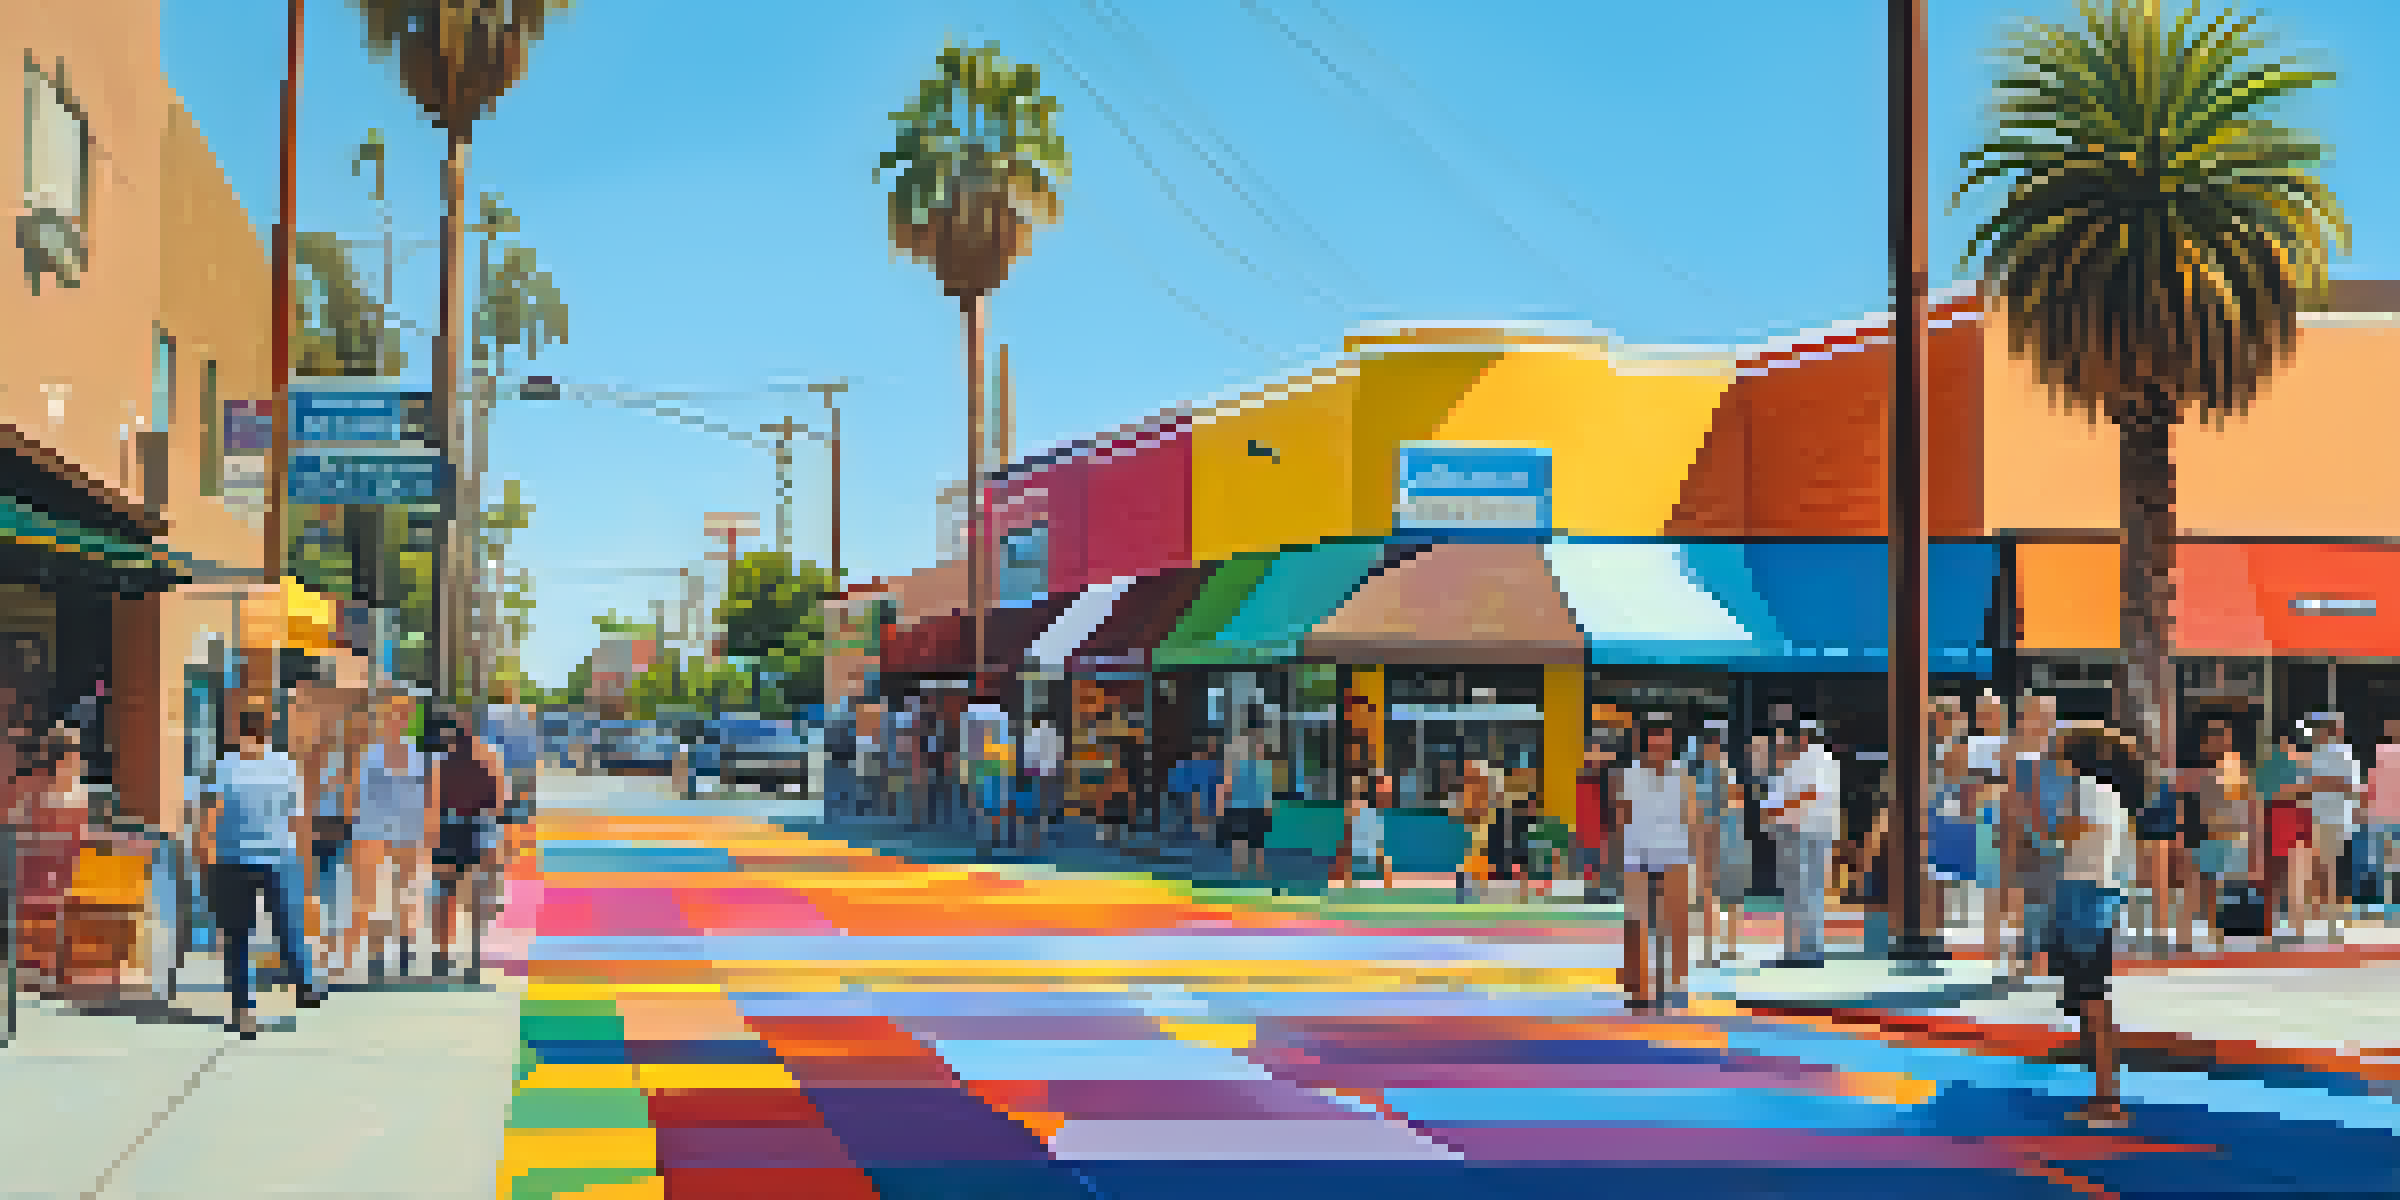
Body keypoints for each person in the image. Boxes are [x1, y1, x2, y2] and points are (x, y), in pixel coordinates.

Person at [197, 709, 325, 1037]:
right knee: (287, 925)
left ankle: (243, 1011)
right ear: (268, 733)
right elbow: (298, 817)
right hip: (277, 857)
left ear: (237, 732)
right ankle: (303, 982)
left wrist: (205, 858)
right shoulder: (285, 766)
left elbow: (210, 816)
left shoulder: (224, 767)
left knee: (238, 938)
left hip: (232, 861)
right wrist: (305, 861)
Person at [345, 693, 436, 980]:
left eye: (402, 714)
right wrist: (354, 833)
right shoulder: (367, 754)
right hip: (372, 830)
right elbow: (352, 795)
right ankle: (375, 954)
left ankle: (405, 951)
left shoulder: (419, 756)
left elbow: (429, 797)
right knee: (370, 896)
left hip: (409, 831)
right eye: (391, 713)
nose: (396, 719)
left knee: (406, 892)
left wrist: (429, 834)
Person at [1618, 717, 1699, 1006]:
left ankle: (1675, 983)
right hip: (1635, 854)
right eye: (1653, 739)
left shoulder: (1683, 776)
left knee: (1675, 922)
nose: (1658, 745)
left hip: (1674, 853)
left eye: (1663, 738)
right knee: (1636, 921)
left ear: (1670, 742)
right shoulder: (1629, 775)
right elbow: (1621, 816)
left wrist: (1697, 859)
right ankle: (1638, 988)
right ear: (1645, 742)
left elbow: (1692, 817)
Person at [429, 711, 502, 978]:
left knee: (449, 896)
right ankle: (471, 955)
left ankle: (445, 955)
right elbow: (499, 801)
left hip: (454, 827)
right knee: (472, 896)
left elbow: (434, 799)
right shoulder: (488, 756)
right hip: (474, 828)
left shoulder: (444, 759)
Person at [1765, 718, 1840, 969]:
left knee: (1799, 895)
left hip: (1800, 833)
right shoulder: (1828, 761)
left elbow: (1807, 794)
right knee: (1811, 894)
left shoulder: (1808, 761)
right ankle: (1807, 950)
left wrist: (1778, 811)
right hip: (1817, 833)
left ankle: (1801, 953)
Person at [2185, 718, 2254, 951]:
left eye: (2219, 735)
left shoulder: (2233, 766)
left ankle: (2221, 936)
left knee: (2225, 889)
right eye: (2211, 735)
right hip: (2212, 837)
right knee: (2208, 887)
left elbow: (2239, 804)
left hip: (2229, 837)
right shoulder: (2208, 769)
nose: (2214, 740)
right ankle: (2214, 936)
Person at [2297, 712, 2362, 938]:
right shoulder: (2318, 754)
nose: (2314, 734)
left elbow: (2348, 787)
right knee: (2317, 870)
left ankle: (2331, 923)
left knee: (2326, 870)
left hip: (2331, 819)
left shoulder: (2341, 753)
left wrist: (2317, 784)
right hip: (2317, 818)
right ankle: (2320, 920)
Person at [1692, 721, 1748, 966]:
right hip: (1723, 841)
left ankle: (1720, 949)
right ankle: (1717, 949)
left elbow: (1705, 813)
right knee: (1717, 898)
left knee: (1719, 897)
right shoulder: (1722, 774)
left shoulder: (1713, 775)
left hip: (1723, 842)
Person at [1217, 722, 1274, 881]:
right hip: (1242, 805)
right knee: (1244, 843)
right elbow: (1227, 781)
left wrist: (1268, 806)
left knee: (1253, 844)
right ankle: (1243, 876)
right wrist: (1221, 802)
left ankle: (1251, 876)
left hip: (1252, 806)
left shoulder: (1261, 760)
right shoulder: (1239, 757)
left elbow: (1266, 786)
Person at [2366, 719, 2400, 924]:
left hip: (2387, 816)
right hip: (2381, 816)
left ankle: (2388, 904)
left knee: (2388, 862)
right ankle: (2386, 904)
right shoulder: (2381, 752)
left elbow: (2373, 782)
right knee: (2383, 863)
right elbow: (2373, 782)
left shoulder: (2383, 753)